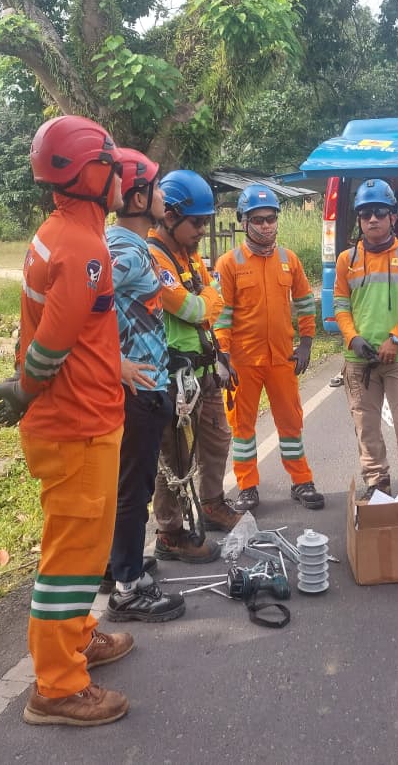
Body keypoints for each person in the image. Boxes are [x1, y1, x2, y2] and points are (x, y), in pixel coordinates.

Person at [0, 115, 133, 727]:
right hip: (76, 424)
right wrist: (25, 386)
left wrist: (29, 387)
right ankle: (58, 686)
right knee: (72, 555)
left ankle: (77, 638)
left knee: (79, 544)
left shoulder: (60, 231)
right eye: (115, 164)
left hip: (79, 417)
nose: (124, 174)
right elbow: (55, 339)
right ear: (92, 173)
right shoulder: (82, 247)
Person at [103, 147, 193, 626]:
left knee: (124, 485)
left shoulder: (127, 245)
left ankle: (117, 561)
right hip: (136, 391)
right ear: (139, 197)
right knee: (132, 489)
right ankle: (128, 586)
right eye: (157, 188)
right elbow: (77, 302)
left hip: (148, 380)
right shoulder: (123, 250)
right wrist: (114, 363)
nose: (164, 197)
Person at [147, 170, 241, 554]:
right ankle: (170, 531)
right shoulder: (154, 257)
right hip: (176, 376)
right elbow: (192, 307)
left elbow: (212, 301)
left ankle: (213, 503)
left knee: (217, 439)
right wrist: (207, 299)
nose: (204, 229)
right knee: (174, 455)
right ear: (170, 216)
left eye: (206, 221)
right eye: (197, 222)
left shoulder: (188, 256)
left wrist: (208, 301)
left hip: (204, 369)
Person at [214, 184, 322, 513]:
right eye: (258, 219)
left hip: (282, 359)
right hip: (242, 362)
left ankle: (301, 480)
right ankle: (247, 486)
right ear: (243, 221)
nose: (266, 225)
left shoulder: (289, 261)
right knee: (242, 426)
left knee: (291, 423)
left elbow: (305, 303)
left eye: (271, 219)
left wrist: (305, 343)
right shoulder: (228, 263)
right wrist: (223, 356)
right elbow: (221, 314)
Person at [333, 179, 398, 529]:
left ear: (392, 217)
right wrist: (352, 339)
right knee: (367, 430)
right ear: (359, 221)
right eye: (365, 214)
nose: (372, 219)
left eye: (379, 212)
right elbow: (341, 306)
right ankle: (378, 486)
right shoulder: (348, 260)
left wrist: (396, 338)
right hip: (360, 360)